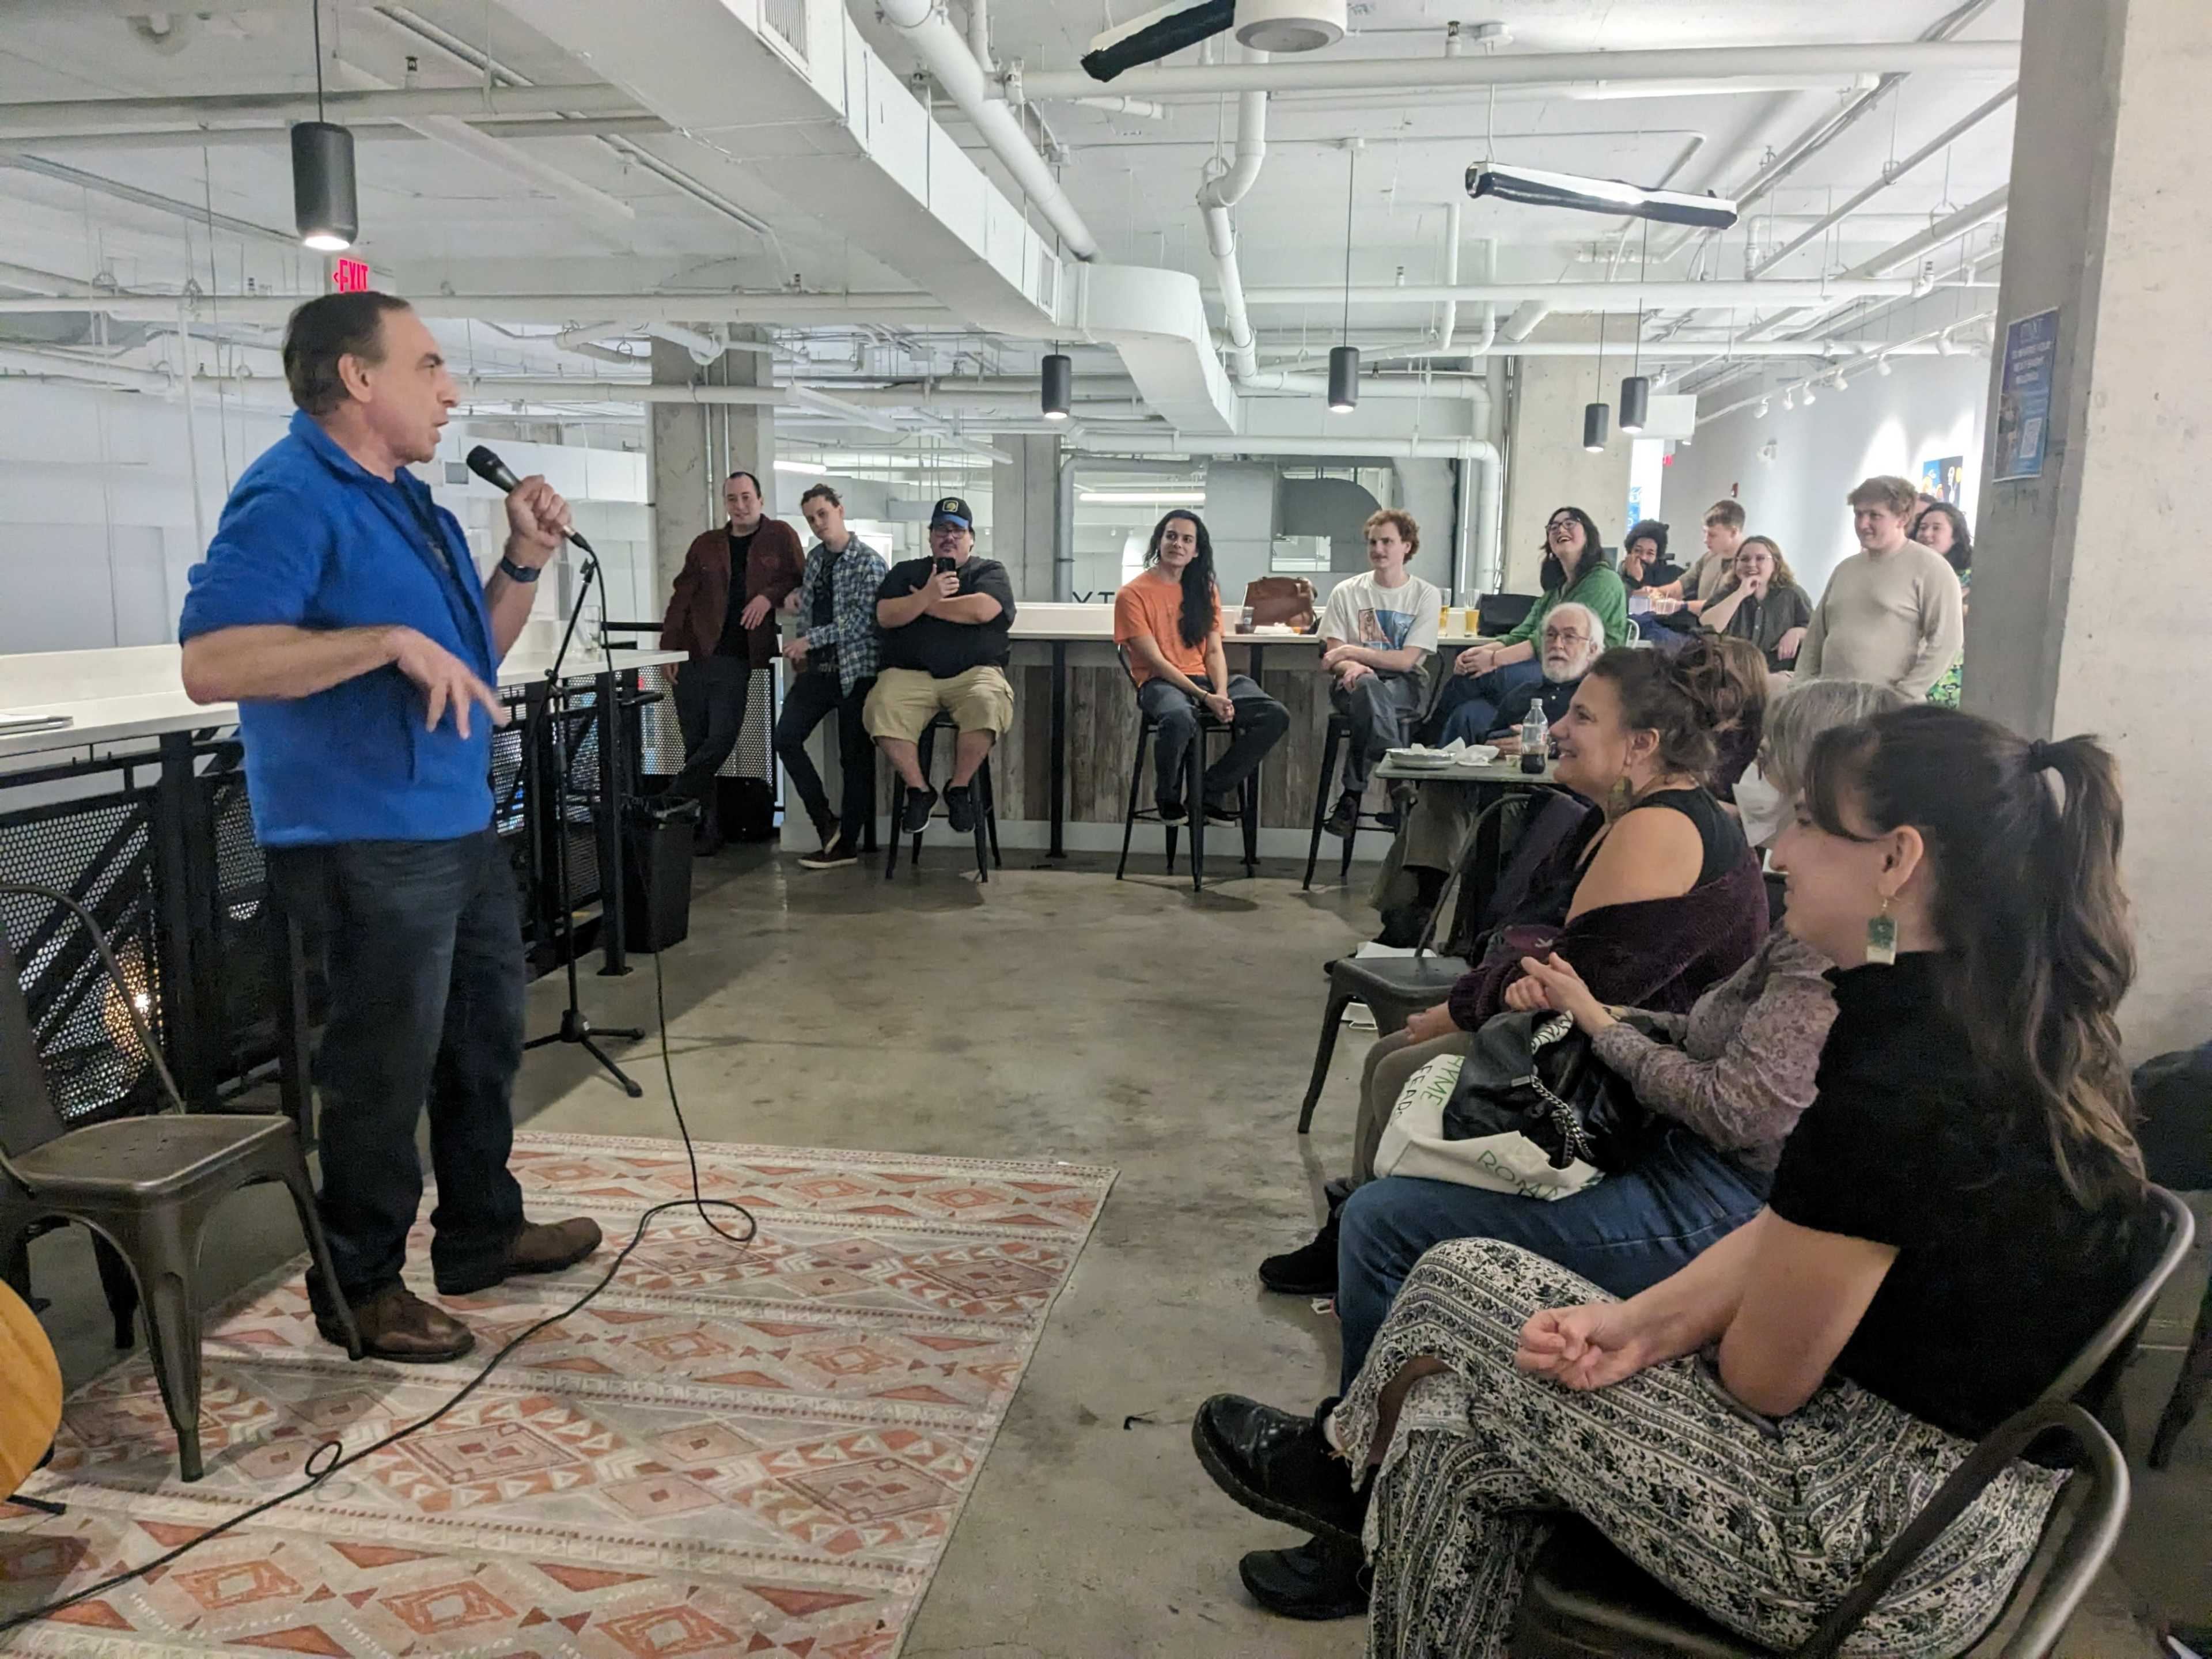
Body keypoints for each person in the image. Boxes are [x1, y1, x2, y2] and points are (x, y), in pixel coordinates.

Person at [1206, 707, 2153, 1659]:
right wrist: (1636, 1324)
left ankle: (1343, 1461)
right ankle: (1357, 1465)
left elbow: (1763, 1379)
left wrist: (1653, 1346)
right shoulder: (1995, 1022)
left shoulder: (1906, 1088)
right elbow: (1803, 1228)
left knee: (1454, 1298)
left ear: (1897, 861)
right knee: (1449, 1427)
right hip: (1949, 1512)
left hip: (1861, 1542)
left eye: (1812, 824)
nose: (1780, 850)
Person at [176, 291, 601, 1363]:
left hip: (454, 820)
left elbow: (473, 658)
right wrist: (378, 643)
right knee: (380, 1071)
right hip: (359, 836)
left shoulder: (413, 503)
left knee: (480, 1043)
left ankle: (480, 1234)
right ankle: (358, 1286)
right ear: (358, 380)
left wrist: (522, 563)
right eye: (428, 366)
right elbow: (212, 663)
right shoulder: (287, 495)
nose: (450, 389)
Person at [1370, 604, 1608, 945]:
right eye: (1551, 636)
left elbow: (1601, 754)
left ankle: (1418, 926)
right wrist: (1497, 748)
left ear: (1593, 649)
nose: (1557, 645)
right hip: (1500, 796)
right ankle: (1411, 918)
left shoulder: (1597, 703)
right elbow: (1491, 743)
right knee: (1439, 795)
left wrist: (1547, 747)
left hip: (1557, 809)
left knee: (1470, 819)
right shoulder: (1522, 696)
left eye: (1570, 637)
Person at [659, 470, 807, 851]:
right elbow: (681, 596)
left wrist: (767, 596)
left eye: (746, 497)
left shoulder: (780, 536)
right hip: (694, 651)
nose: (739, 506)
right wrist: (669, 647)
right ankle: (704, 834)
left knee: (721, 738)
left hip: (736, 656)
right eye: (732, 499)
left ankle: (666, 804)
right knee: (696, 746)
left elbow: (799, 577)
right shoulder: (706, 544)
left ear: (760, 499)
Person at [1113, 510, 1290, 823]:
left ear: (1196, 551)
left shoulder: (1204, 590)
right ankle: (1168, 797)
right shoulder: (1132, 594)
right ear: (1158, 541)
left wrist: (1221, 693)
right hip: (1160, 682)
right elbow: (1155, 660)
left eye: (1186, 539)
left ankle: (1209, 790)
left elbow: (1214, 651)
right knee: (1179, 717)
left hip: (1207, 681)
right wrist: (1205, 697)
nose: (1177, 544)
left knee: (1275, 715)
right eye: (1171, 536)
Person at [863, 495, 1017, 835]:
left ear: (971, 538)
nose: (949, 537)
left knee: (990, 702)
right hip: (909, 676)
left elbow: (982, 610)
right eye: (942, 530)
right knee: (879, 706)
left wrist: (923, 603)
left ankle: (959, 787)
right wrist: (927, 594)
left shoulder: (988, 571)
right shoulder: (905, 572)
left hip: (974, 675)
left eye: (957, 531)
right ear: (930, 535)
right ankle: (920, 791)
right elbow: (886, 615)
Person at [1433, 507, 1628, 743]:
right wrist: (1482, 651)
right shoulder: (1557, 589)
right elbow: (1523, 633)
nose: (1560, 529)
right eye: (1553, 527)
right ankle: (1438, 766)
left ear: (1589, 536)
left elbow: (1541, 641)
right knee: (1470, 712)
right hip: (1546, 669)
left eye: (1570, 523)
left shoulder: (1603, 580)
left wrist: (1493, 660)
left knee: (1480, 676)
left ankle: (1425, 741)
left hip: (1582, 675)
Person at [774, 484, 889, 869]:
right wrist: (802, 642)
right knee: (786, 737)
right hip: (818, 670)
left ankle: (848, 843)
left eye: (823, 514)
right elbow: (812, 604)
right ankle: (827, 824)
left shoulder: (868, 562)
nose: (818, 523)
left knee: (854, 759)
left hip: (856, 670)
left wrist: (809, 640)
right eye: (811, 518)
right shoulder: (816, 559)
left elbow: (862, 620)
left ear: (840, 510)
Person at [1317, 510, 1443, 839]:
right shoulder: (1346, 592)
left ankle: (1351, 797)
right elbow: (1334, 656)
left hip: (1406, 685)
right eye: (1373, 542)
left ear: (1407, 546)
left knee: (1370, 706)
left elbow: (1405, 662)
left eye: (1388, 541)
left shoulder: (1426, 595)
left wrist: (1354, 653)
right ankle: (1395, 770)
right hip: (1354, 683)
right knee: (1369, 690)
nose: (1379, 549)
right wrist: (1352, 665)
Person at [1796, 475, 1964, 700]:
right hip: (1830, 704)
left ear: (1902, 518)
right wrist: (1802, 686)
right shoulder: (1845, 569)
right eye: (1858, 514)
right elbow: (1816, 637)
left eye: (1875, 515)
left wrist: (1906, 693)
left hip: (1887, 711)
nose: (1863, 524)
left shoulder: (1931, 568)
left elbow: (1946, 641)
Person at [1695, 535, 1813, 673]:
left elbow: (1816, 630)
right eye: (1744, 559)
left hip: (1777, 675)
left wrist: (1797, 632)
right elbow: (1707, 626)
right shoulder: (1727, 593)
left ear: (1775, 564)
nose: (1751, 564)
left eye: (1760, 559)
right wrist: (1741, 593)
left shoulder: (1793, 594)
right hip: (1733, 674)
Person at [1911, 501, 1973, 708]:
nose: (1927, 534)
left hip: (1951, 668)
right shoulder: (1908, 570)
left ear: (1955, 536)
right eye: (1922, 528)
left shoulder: (1971, 575)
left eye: (1936, 528)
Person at [1618, 520, 1680, 595]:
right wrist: (1633, 581)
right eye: (1638, 550)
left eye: (1650, 553)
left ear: (1657, 556)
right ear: (1630, 552)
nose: (1643, 557)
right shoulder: (1618, 577)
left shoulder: (1670, 577)